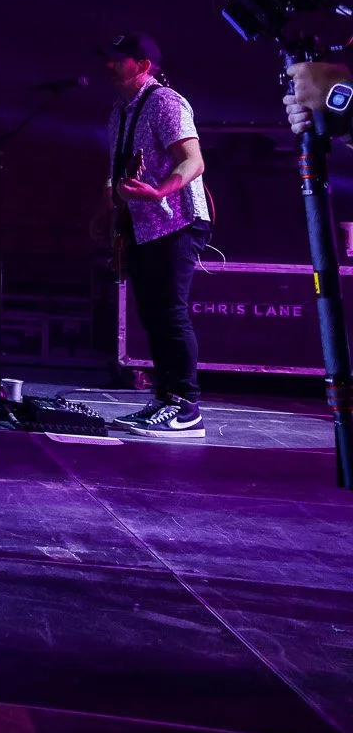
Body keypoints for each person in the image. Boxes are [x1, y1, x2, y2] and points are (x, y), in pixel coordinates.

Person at [102, 32, 211, 438]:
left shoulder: (165, 102)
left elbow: (193, 161)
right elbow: (117, 171)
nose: (110, 64)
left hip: (175, 221)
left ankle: (186, 407)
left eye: (119, 59)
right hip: (143, 224)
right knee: (151, 314)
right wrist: (109, 209)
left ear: (143, 65)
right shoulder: (119, 111)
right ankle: (165, 399)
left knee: (169, 312)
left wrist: (160, 191)